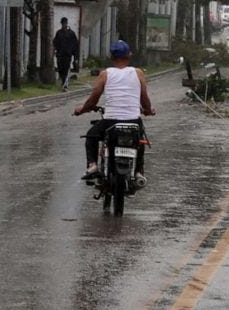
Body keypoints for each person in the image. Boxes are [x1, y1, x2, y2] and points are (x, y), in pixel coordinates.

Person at [73, 40, 155, 186]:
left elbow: (93, 99)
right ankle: (138, 172)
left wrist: (82, 109)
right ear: (129, 55)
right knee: (139, 141)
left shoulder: (105, 74)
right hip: (133, 121)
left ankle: (92, 166)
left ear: (111, 57)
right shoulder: (138, 73)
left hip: (110, 122)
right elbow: (144, 99)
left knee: (91, 136)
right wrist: (148, 110)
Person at [53, 17, 79, 91]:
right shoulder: (59, 33)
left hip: (67, 55)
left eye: (65, 23)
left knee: (66, 69)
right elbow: (55, 43)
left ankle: (65, 85)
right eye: (63, 23)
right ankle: (63, 81)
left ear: (67, 24)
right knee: (60, 69)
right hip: (60, 54)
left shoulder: (71, 33)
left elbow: (75, 45)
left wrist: (75, 57)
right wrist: (54, 51)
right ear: (61, 24)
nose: (64, 25)